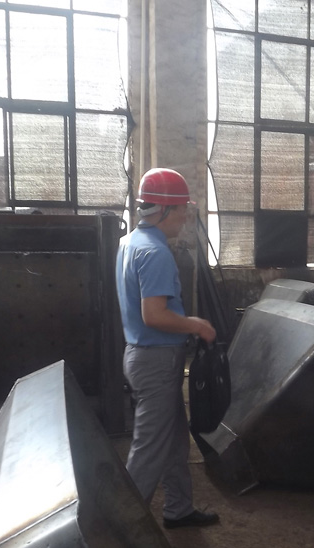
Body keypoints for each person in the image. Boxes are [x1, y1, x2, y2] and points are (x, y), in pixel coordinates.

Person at [116, 167, 220, 529]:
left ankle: (178, 509)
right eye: (181, 210)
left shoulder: (131, 242)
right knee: (148, 448)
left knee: (174, 439)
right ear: (162, 210)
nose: (185, 218)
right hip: (156, 360)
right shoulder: (155, 252)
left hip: (144, 355)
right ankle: (126, 534)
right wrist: (196, 324)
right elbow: (155, 315)